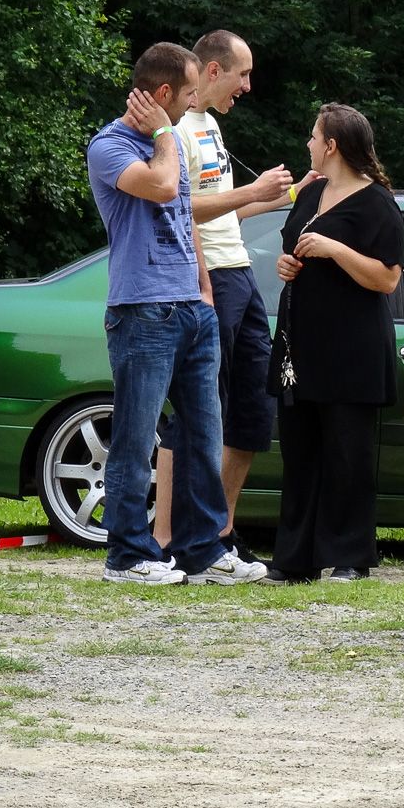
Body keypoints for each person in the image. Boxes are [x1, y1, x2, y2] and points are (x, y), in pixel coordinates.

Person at [84, 42, 266, 586]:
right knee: (136, 438)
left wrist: (204, 291)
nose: (193, 103)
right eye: (187, 94)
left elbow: (186, 220)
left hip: (192, 308)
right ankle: (127, 557)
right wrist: (165, 134)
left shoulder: (170, 141)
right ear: (163, 94)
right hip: (142, 311)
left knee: (205, 436)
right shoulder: (111, 146)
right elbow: (164, 189)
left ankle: (203, 550)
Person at [152, 31, 307, 566]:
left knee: (252, 410)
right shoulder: (177, 131)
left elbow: (226, 210)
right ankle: (166, 539)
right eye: (243, 74)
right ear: (213, 71)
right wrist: (253, 190)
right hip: (208, 279)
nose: (248, 86)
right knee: (196, 410)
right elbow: (178, 207)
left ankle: (221, 533)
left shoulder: (212, 126)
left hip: (240, 274)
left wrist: (288, 195)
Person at [264, 104, 404, 584]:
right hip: (301, 342)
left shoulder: (377, 203)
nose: (307, 144)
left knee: (348, 454)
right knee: (300, 452)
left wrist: (336, 249)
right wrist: (287, 265)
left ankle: (350, 556)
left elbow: (387, 279)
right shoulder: (312, 192)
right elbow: (293, 246)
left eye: (313, 137)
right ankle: (295, 559)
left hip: (352, 346)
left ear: (332, 146)